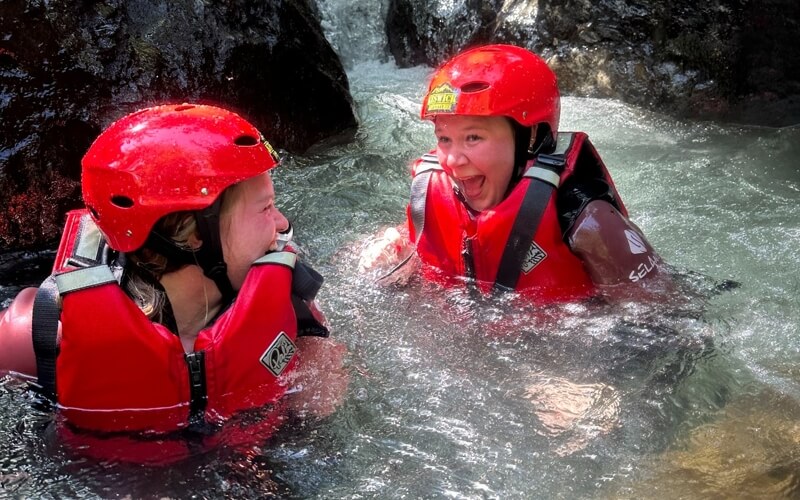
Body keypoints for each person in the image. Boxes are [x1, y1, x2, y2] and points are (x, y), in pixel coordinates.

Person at [0, 103, 348, 463]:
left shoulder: (292, 313)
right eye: (265, 208)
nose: (281, 224)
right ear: (195, 234)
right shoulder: (38, 338)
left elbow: (319, 421)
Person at [359, 44, 667, 302]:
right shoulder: (430, 193)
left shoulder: (586, 219)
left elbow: (663, 318)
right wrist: (396, 246)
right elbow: (431, 234)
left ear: (531, 139)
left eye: (473, 138)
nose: (452, 160)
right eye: (444, 139)